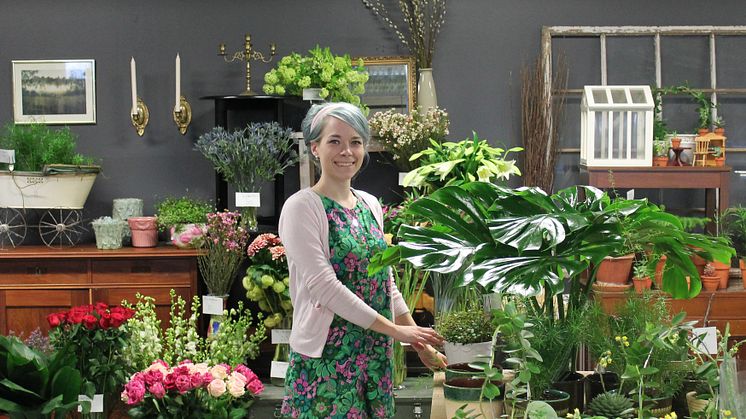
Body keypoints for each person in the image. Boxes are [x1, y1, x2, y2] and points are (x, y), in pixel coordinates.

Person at [279, 102, 447, 418]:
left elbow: (386, 283)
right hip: (326, 357)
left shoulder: (369, 204)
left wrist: (419, 343)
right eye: (335, 141)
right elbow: (324, 288)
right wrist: (399, 333)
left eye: (355, 142)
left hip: (374, 354)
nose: (347, 151)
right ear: (314, 147)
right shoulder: (302, 207)